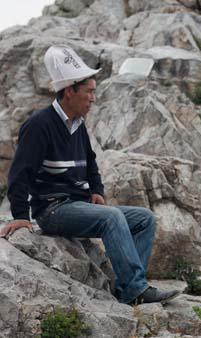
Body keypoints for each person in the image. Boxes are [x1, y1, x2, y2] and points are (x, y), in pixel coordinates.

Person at [0, 45, 179, 305]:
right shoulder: (39, 125)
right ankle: (136, 291)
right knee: (113, 218)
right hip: (52, 210)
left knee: (145, 219)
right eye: (90, 91)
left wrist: (97, 191)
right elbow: (19, 173)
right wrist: (20, 216)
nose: (94, 98)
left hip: (78, 204)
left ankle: (128, 287)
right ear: (70, 91)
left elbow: (91, 162)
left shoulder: (78, 125)